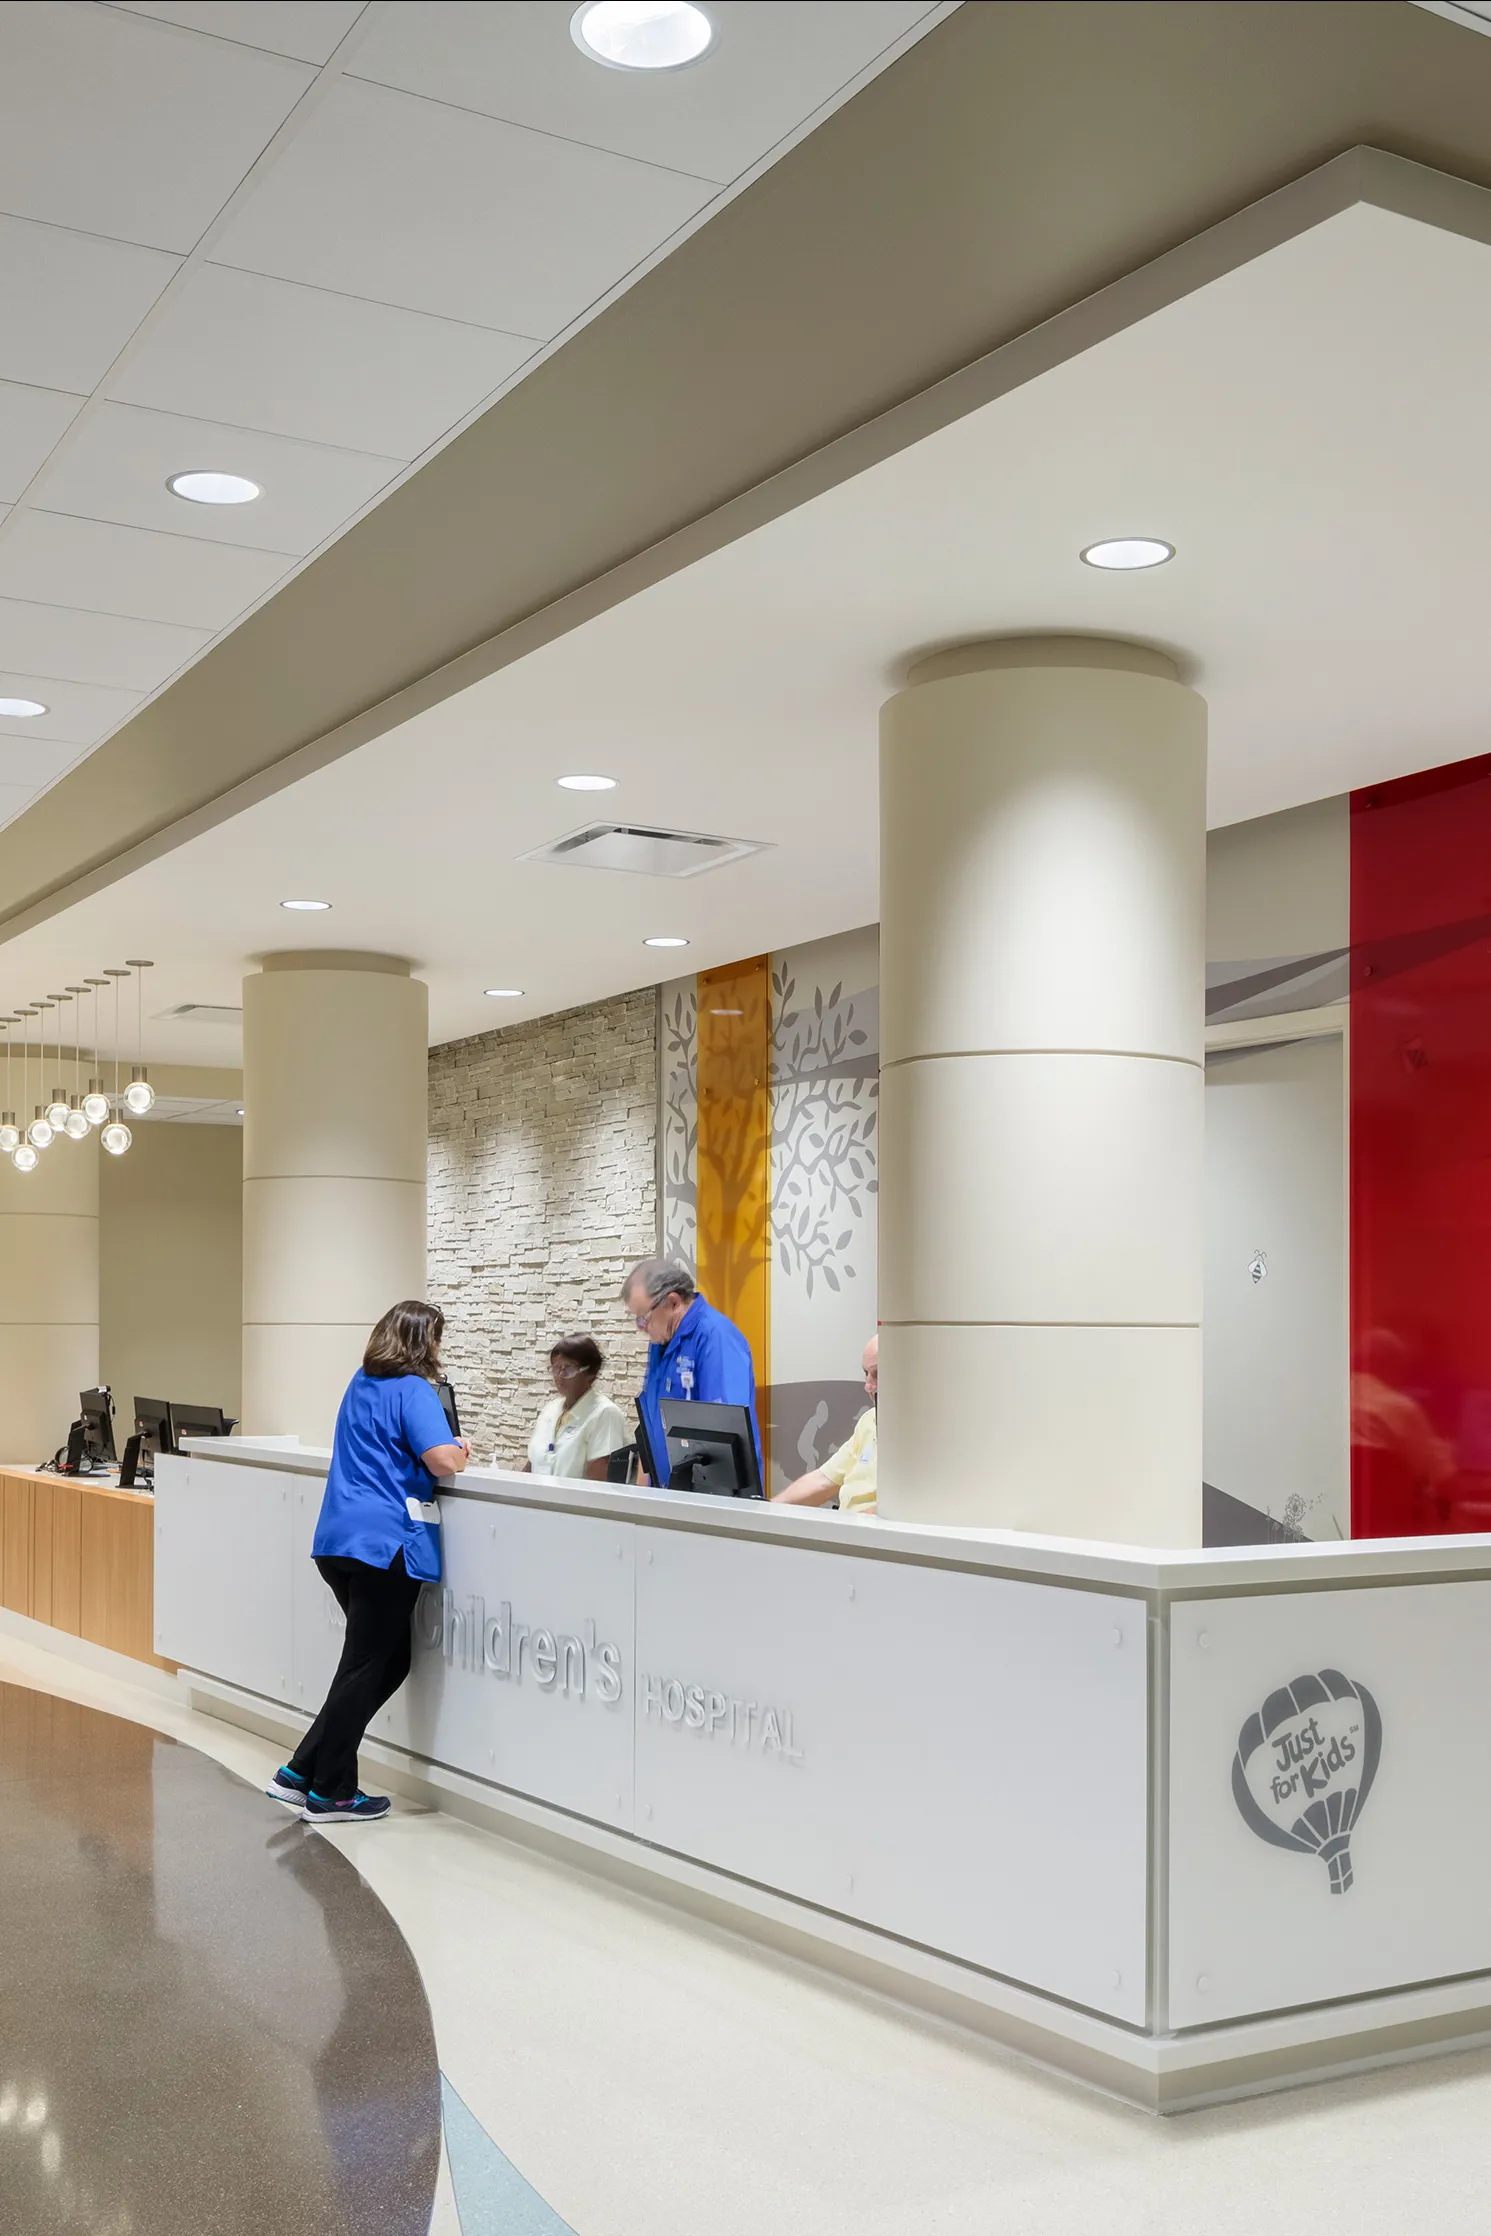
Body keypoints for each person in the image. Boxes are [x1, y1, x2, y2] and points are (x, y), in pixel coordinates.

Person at [265, 1298, 469, 1825]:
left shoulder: (360, 1384)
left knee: (387, 1660)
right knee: (364, 1665)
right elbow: (442, 1460)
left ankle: (300, 1771)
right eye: (437, 1338)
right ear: (424, 1342)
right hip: (385, 1546)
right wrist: (461, 1449)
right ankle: (331, 1792)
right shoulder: (414, 1390)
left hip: (338, 1541)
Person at [622, 1256, 760, 1488]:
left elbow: (725, 1436)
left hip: (712, 1497)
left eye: (644, 1318)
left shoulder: (716, 1337)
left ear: (673, 1302)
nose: (641, 1328)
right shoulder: (660, 1341)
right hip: (668, 1493)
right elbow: (652, 1420)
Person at [773, 1335, 878, 1517]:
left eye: (877, 1374)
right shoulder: (869, 1420)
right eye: (866, 1374)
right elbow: (823, 1480)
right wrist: (767, 1509)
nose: (868, 1386)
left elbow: (908, 1512)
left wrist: (847, 1527)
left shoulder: (926, 1433)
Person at [520, 1333, 630, 1481]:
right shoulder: (550, 1410)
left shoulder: (605, 1413)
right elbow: (532, 1464)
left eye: (568, 1368)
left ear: (590, 1372)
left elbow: (599, 1483)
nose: (559, 1375)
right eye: (556, 1368)